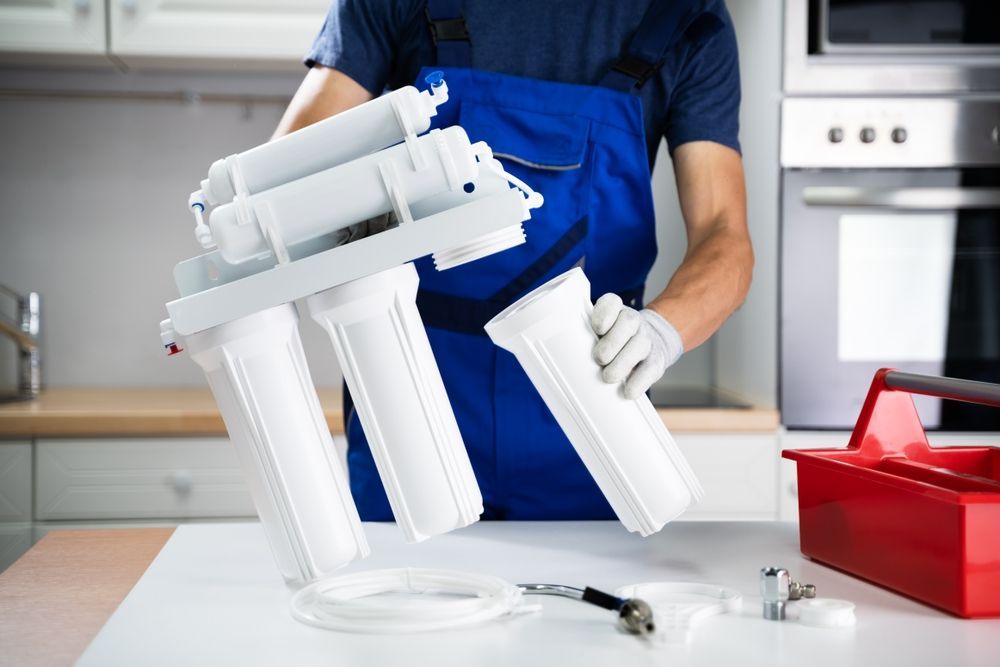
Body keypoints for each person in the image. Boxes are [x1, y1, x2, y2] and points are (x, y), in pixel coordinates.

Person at [274, 0, 753, 521]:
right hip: (413, 404)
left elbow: (725, 235)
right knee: (404, 595)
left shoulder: (685, 14)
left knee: (586, 599)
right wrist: (344, 208)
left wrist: (660, 332)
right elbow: (289, 171)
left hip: (591, 412)